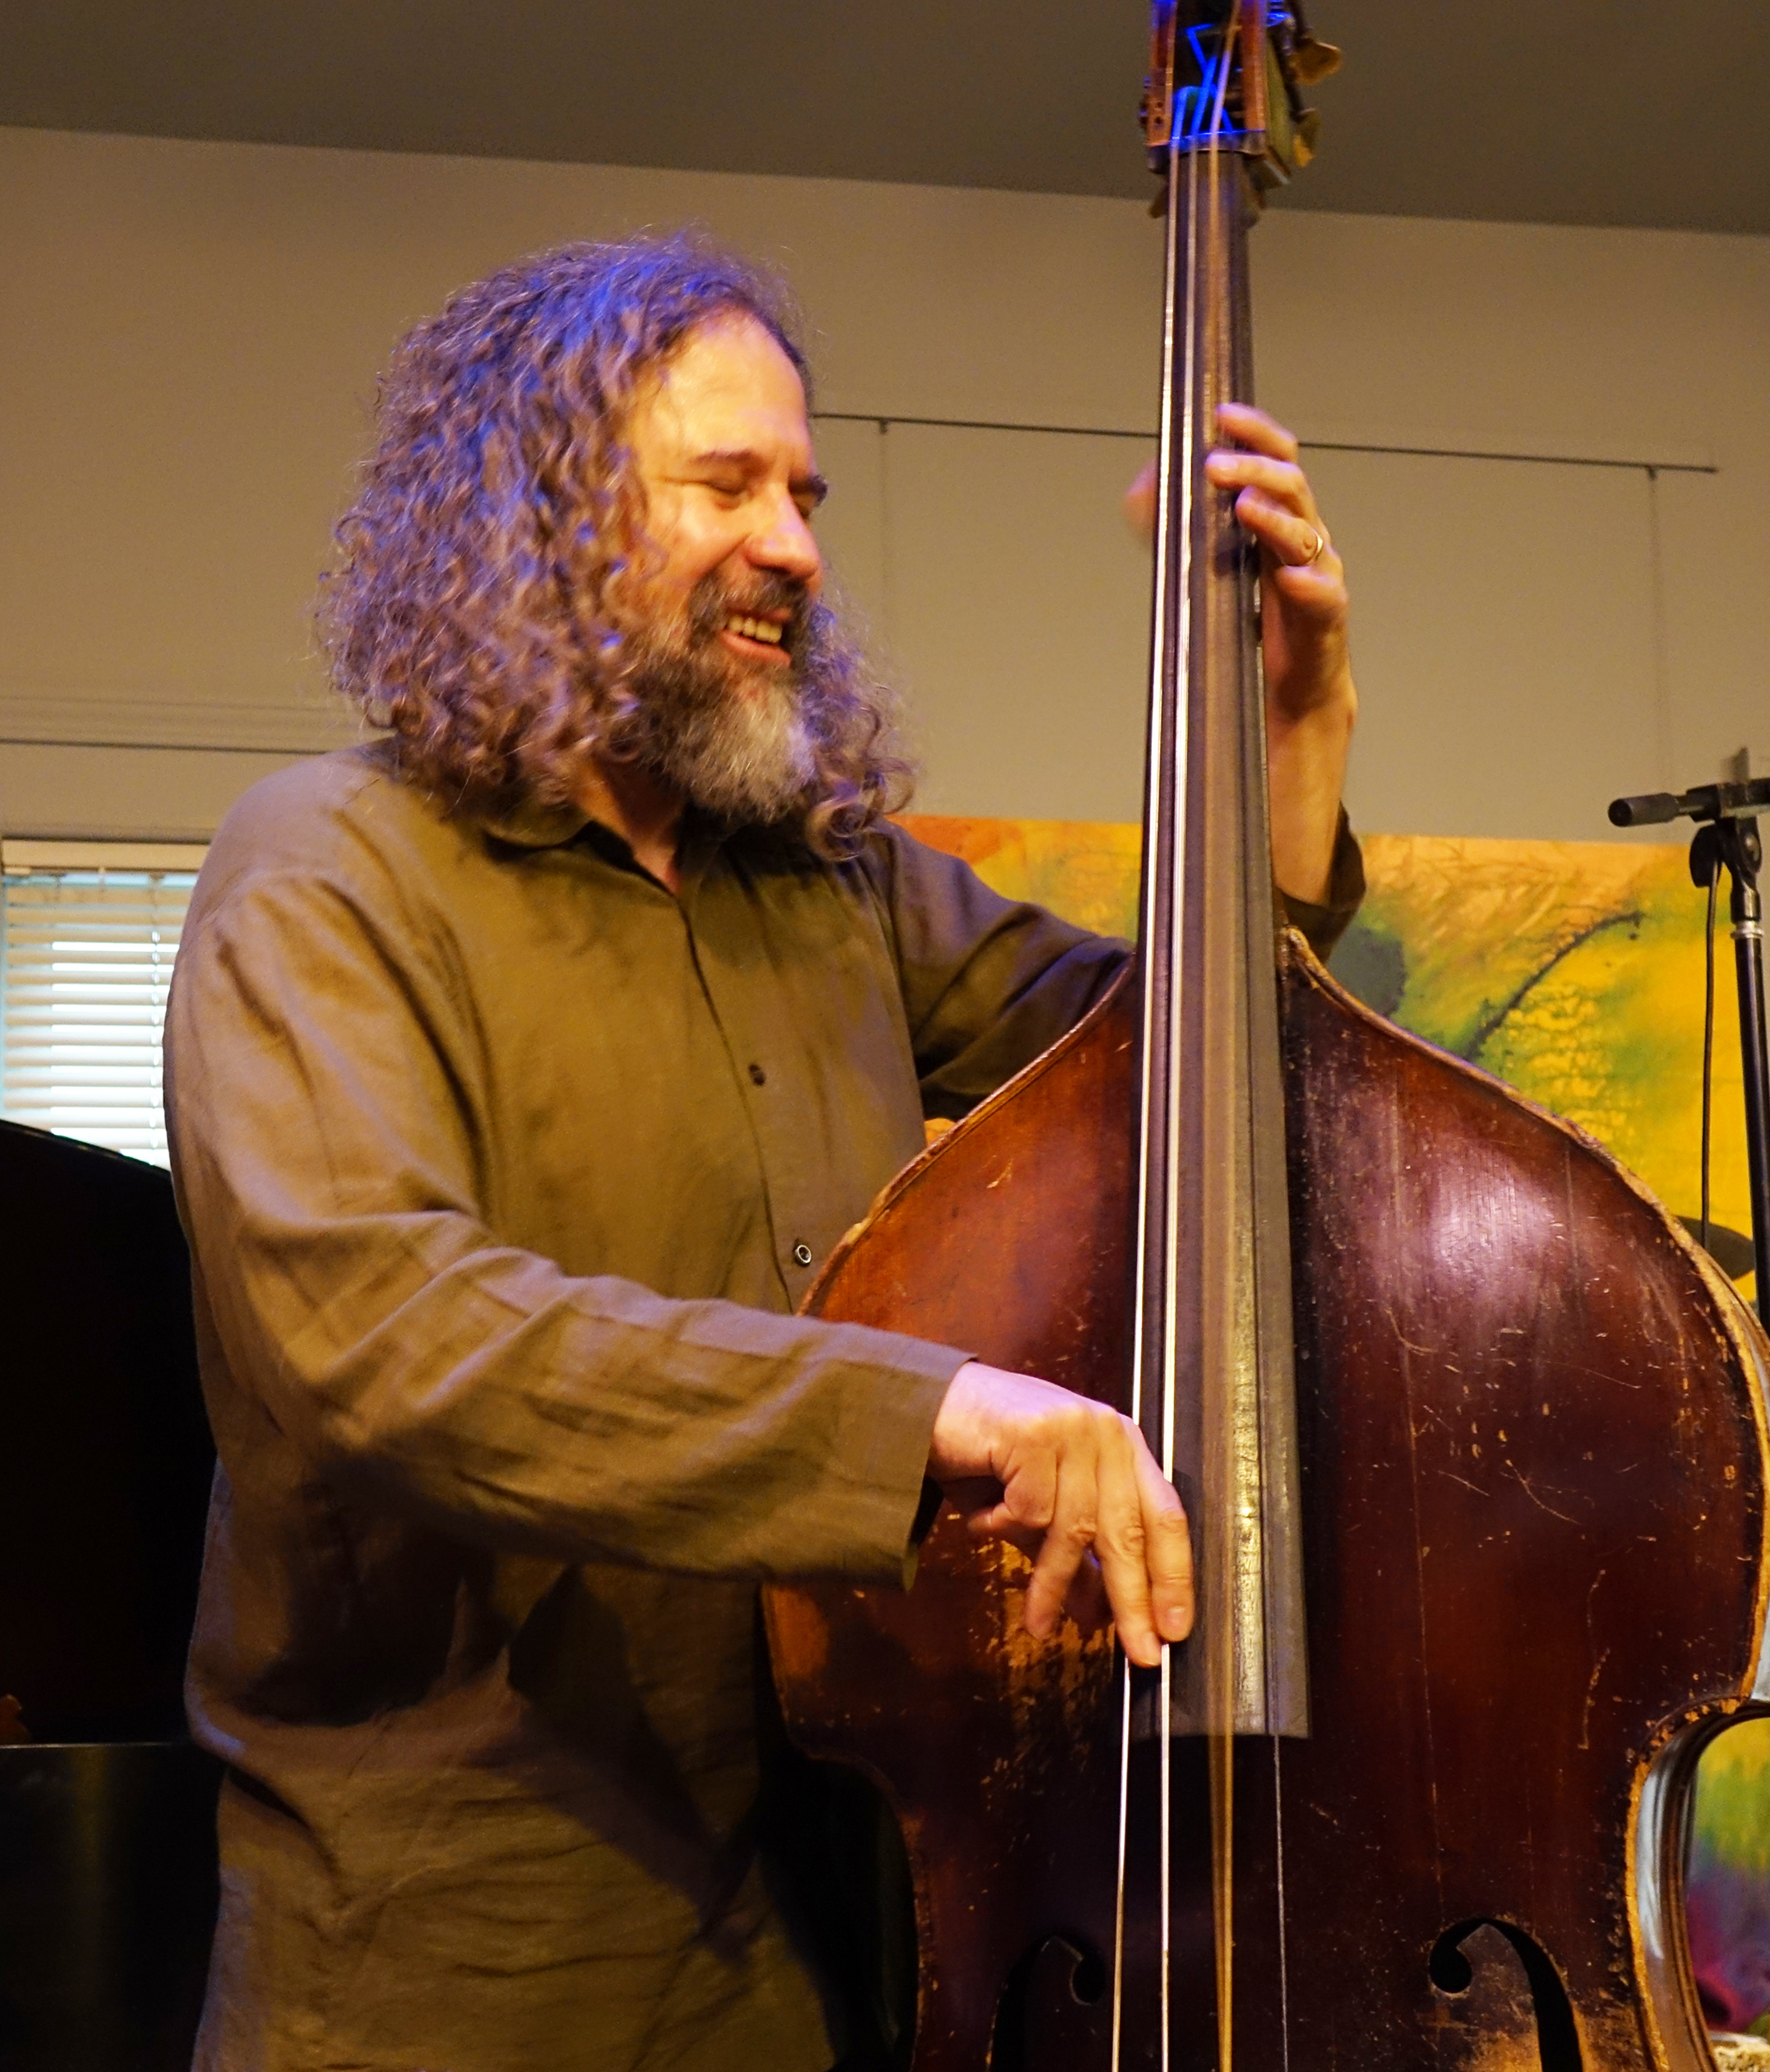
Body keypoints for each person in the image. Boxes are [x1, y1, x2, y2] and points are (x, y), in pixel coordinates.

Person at [164, 233, 1361, 2072]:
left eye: (801, 494)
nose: (794, 545)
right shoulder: (326, 867)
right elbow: (387, 1338)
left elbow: (1199, 1076)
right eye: (723, 485)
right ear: (537, 517)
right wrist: (936, 1412)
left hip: (838, 1913)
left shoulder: (832, 879)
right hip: (456, 1959)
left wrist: (1280, 729)